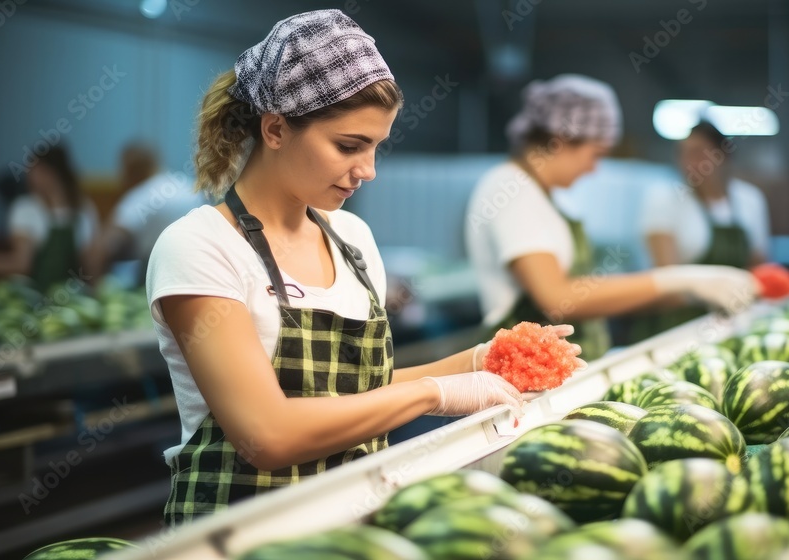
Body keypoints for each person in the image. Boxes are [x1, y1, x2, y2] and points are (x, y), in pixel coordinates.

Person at [146, 10, 579, 525]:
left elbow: (354, 394)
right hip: (242, 534)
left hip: (354, 523)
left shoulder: (351, 237)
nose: (367, 171)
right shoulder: (200, 246)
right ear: (276, 128)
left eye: (375, 147)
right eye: (349, 146)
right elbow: (267, 433)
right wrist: (433, 393)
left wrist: (479, 362)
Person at [465, 75, 759, 361]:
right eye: (596, 154)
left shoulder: (549, 196)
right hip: (527, 377)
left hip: (564, 370)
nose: (595, 169)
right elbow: (556, 297)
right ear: (560, 141)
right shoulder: (510, 190)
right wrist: (676, 279)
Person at [636, 120, 771, 333]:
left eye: (698, 153)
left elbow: (758, 269)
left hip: (734, 321)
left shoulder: (750, 200)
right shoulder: (665, 199)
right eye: (683, 154)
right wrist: (708, 291)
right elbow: (666, 279)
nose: (689, 162)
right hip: (676, 324)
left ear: (722, 155)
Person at [0, 146, 99, 291]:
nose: (28, 175)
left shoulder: (83, 209)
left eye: (33, 169)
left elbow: (90, 264)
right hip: (32, 299)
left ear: (49, 172)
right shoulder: (25, 208)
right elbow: (21, 265)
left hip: (71, 299)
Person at [87, 141, 205, 284]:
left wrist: (93, 291)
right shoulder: (188, 187)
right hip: (201, 270)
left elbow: (102, 248)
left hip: (162, 275)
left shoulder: (139, 197)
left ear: (129, 171)